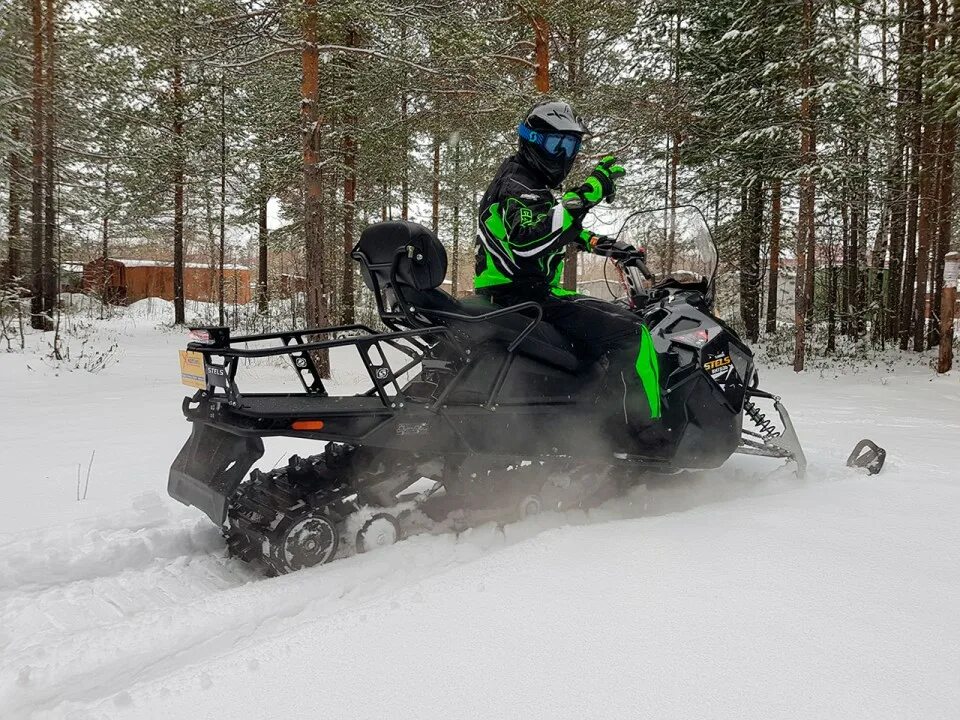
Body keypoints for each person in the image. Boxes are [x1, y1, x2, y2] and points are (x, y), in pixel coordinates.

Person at [473, 99, 661, 427]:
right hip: (522, 298)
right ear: (531, 141)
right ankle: (642, 435)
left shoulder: (524, 182)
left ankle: (588, 420)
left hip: (518, 296)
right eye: (554, 142)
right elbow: (528, 238)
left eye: (570, 144)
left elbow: (550, 226)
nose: (562, 153)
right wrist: (589, 192)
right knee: (633, 333)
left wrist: (599, 243)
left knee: (606, 328)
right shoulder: (519, 186)